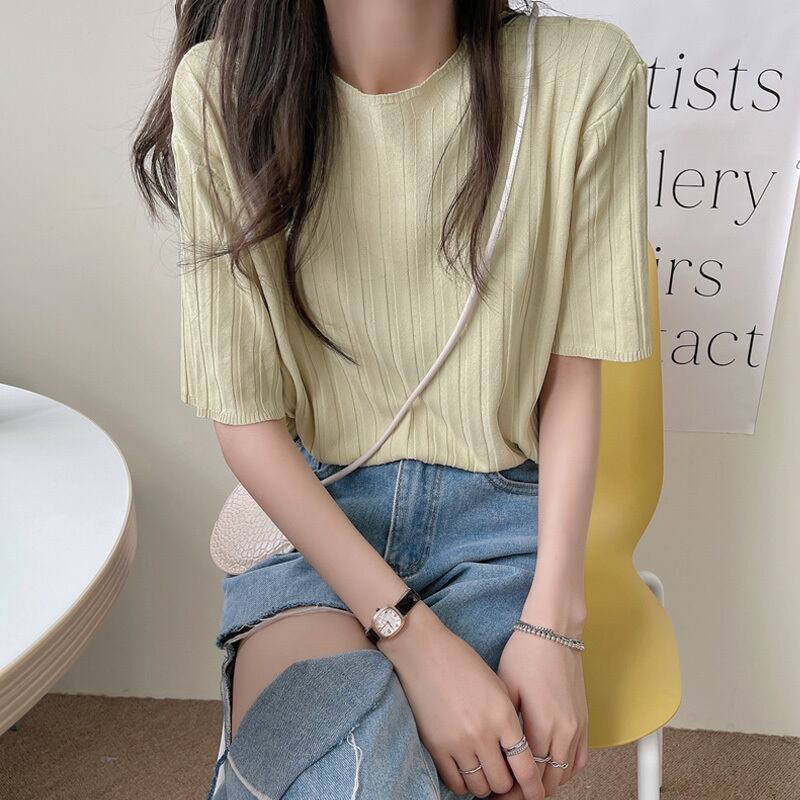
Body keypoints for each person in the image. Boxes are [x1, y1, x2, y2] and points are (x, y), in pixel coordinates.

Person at [132, 1, 652, 797]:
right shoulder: (226, 89)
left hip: (505, 529)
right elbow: (247, 424)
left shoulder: (583, 74)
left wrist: (554, 625)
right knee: (341, 767)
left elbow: (571, 380)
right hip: (316, 519)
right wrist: (411, 637)